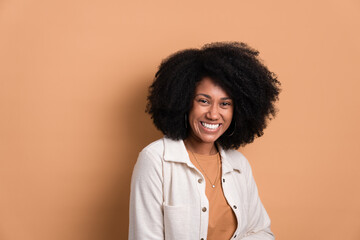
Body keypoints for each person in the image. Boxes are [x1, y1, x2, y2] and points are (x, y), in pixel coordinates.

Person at [129, 42, 280, 240]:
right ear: (184, 101)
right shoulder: (156, 160)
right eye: (204, 101)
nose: (213, 114)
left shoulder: (239, 165)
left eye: (225, 104)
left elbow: (261, 232)